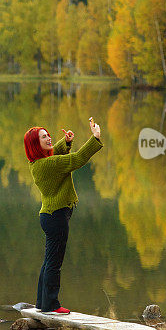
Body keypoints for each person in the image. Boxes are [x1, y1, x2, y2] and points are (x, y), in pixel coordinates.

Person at [23, 117, 102, 314]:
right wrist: (95, 138)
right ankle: (51, 305)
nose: (49, 138)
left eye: (48, 134)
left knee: (49, 260)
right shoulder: (48, 165)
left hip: (50, 216)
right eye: (44, 137)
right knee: (54, 263)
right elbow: (76, 160)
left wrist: (64, 142)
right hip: (56, 217)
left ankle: (42, 303)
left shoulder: (39, 162)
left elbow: (53, 156)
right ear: (35, 144)